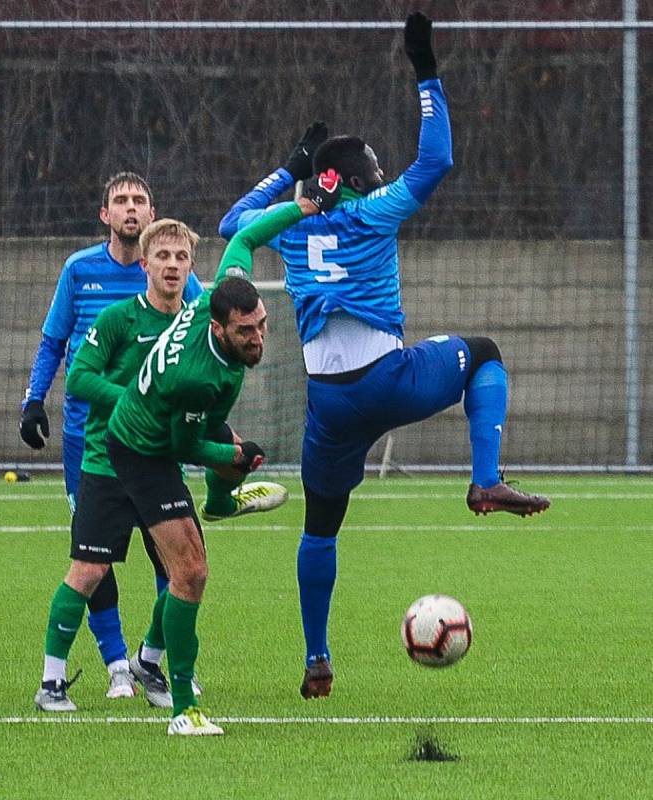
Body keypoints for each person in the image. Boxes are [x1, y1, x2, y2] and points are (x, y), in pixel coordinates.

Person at [218, 11, 551, 701]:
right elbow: (436, 162)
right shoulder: (373, 213)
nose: (377, 171)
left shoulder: (286, 231)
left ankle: (316, 659)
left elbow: (231, 226)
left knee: (320, 527)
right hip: (387, 379)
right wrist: (425, 72)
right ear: (349, 179)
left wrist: (288, 169)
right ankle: (484, 478)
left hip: (328, 405)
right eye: (368, 165)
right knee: (483, 354)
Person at [103, 179, 340, 735]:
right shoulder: (197, 378)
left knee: (219, 467)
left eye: (261, 326)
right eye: (246, 332)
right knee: (191, 574)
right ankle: (182, 707)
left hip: (170, 428)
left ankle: (221, 505)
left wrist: (302, 207)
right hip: (141, 447)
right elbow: (183, 447)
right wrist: (233, 457)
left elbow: (250, 233)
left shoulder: (227, 289)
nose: (258, 338)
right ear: (218, 328)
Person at [34, 218, 289, 713]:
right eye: (163, 257)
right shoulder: (117, 320)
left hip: (159, 459)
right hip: (107, 460)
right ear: (144, 264)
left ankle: (150, 663)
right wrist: (134, 400)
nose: (172, 265)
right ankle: (52, 681)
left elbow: (195, 425)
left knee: (181, 569)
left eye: (181, 258)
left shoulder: (195, 318)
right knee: (89, 569)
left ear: (191, 268)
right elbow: (81, 378)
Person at [20, 172, 205, 698]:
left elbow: (198, 348)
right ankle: (115, 663)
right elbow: (56, 344)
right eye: (120, 201)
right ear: (106, 215)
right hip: (91, 442)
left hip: (156, 447)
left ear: (151, 216)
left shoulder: (179, 283)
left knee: (171, 557)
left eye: (139, 200)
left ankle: (153, 660)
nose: (130, 208)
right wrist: (34, 399)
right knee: (94, 558)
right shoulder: (81, 271)